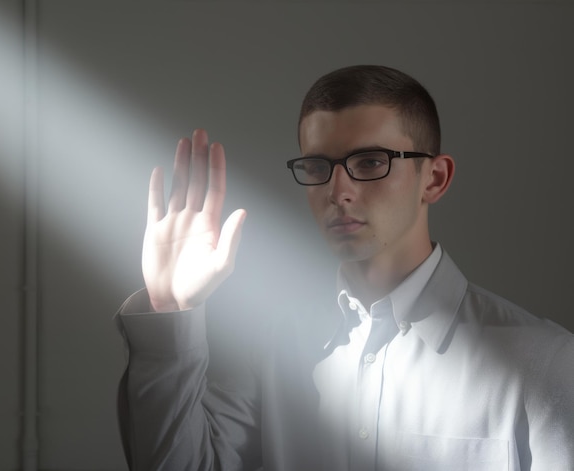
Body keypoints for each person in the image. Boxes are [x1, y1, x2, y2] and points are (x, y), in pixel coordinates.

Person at [115, 65, 574, 470]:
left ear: (434, 178)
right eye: (318, 166)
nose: (338, 192)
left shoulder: (544, 362)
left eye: (370, 161)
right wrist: (167, 308)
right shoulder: (271, 348)